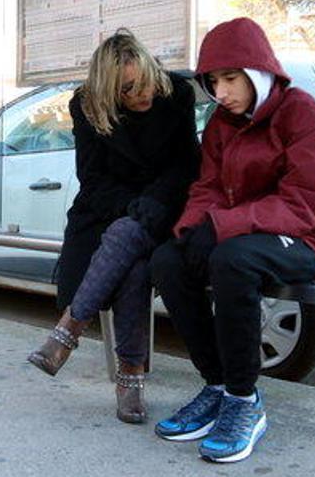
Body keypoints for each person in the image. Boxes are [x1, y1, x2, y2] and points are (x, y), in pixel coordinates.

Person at [148, 17, 315, 463]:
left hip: (307, 238)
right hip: (244, 233)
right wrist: (192, 229)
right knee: (167, 260)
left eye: (230, 78)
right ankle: (216, 384)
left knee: (232, 261)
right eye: (213, 81)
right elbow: (208, 187)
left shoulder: (303, 113)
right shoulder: (222, 123)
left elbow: (304, 205)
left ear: (258, 71)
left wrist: (221, 227)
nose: (220, 92)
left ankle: (243, 400)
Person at [27, 29, 200, 423]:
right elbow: (92, 177)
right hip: (107, 207)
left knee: (129, 237)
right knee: (132, 261)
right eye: (128, 89)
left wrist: (154, 203)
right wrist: (130, 206)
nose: (143, 94)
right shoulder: (86, 105)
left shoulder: (176, 93)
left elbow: (188, 164)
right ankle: (130, 377)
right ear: (107, 92)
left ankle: (68, 331)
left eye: (146, 82)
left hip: (167, 203)